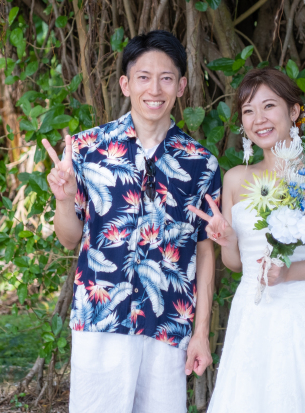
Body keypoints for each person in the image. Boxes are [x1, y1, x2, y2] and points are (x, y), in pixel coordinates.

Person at [42, 30, 222, 413]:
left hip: (167, 321)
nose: (154, 89)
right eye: (143, 77)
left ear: (182, 85)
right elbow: (68, 238)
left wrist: (201, 332)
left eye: (166, 78)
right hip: (100, 316)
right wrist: (63, 199)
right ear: (125, 84)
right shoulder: (87, 149)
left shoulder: (201, 163)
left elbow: (205, 251)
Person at [188, 68, 305, 412]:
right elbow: (235, 264)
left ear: (293, 112)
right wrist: (226, 239)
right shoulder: (234, 180)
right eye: (248, 111)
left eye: (268, 106)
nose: (258, 119)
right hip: (252, 313)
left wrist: (289, 273)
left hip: (303, 312)